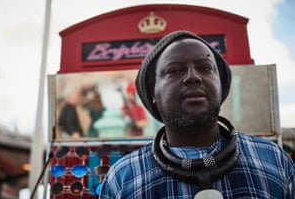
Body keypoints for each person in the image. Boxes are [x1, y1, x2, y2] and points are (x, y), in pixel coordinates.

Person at [100, 31, 295, 198]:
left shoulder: (274, 160)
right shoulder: (122, 179)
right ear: (153, 92)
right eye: (174, 70)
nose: (193, 77)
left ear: (221, 84)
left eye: (205, 68)